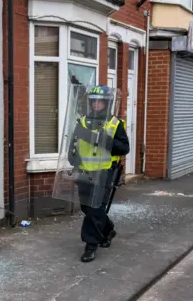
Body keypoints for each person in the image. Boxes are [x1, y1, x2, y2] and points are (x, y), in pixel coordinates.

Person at [67, 85, 130, 263]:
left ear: (106, 103)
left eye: (100, 101)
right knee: (87, 208)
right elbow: (74, 144)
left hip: (104, 173)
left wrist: (105, 141)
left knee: (94, 208)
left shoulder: (114, 123)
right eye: (93, 101)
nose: (96, 104)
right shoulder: (82, 122)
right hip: (85, 171)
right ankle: (108, 230)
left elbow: (124, 148)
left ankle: (90, 245)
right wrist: (73, 159)